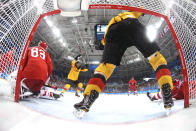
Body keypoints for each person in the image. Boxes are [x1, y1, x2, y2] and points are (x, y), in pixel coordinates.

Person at [74, 10, 174, 113]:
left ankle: (88, 97)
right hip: (132, 24)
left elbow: (103, 44)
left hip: (113, 32)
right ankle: (166, 91)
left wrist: (99, 44)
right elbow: (141, 9)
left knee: (105, 68)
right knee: (156, 58)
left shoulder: (107, 29)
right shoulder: (131, 12)